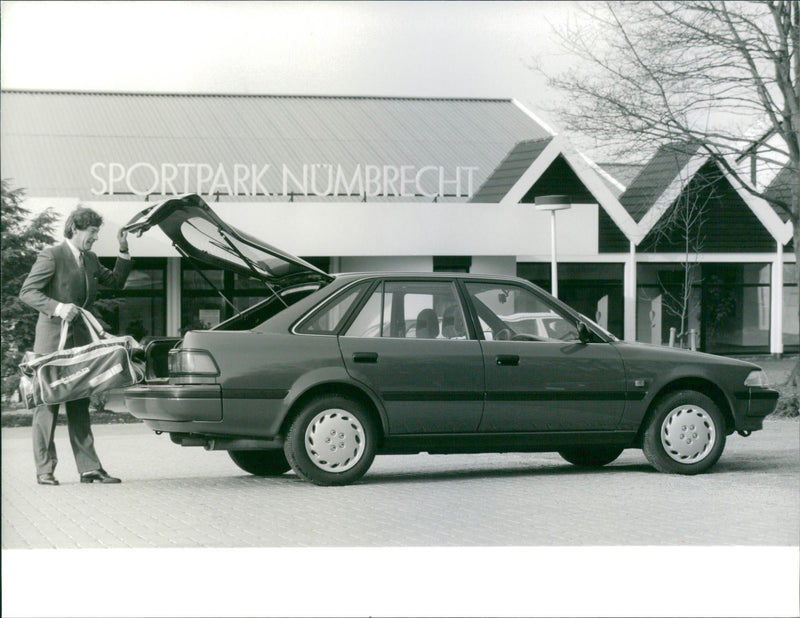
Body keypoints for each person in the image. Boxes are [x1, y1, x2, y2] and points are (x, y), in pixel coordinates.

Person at [19, 206, 133, 486]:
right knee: (46, 408)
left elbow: (116, 282)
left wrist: (123, 249)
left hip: (80, 343)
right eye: (92, 232)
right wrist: (57, 307)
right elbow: (27, 292)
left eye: (97, 232)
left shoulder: (91, 259)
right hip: (52, 343)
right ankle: (45, 470)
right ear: (75, 229)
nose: (95, 237)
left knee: (80, 403)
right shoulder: (51, 255)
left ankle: (89, 468)